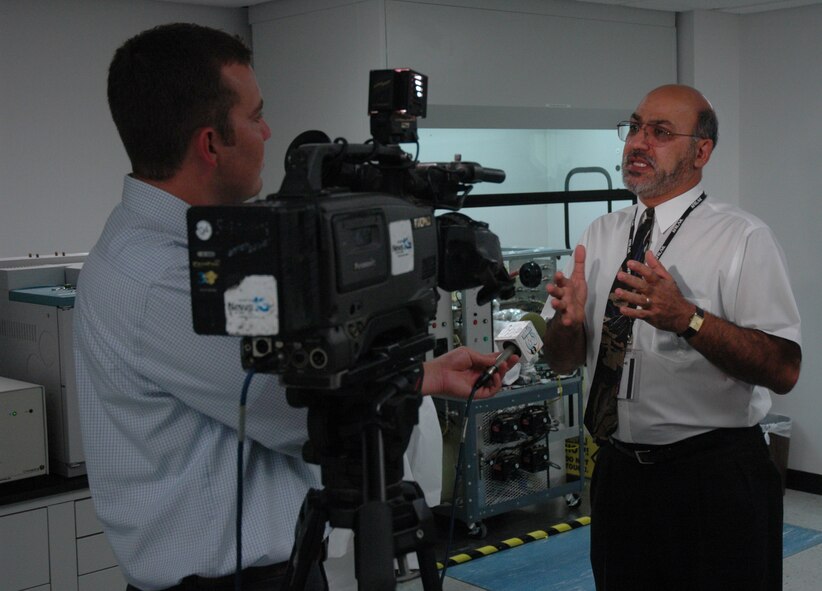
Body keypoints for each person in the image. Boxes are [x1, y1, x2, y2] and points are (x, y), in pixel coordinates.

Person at [74, 23, 517, 591]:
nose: (268, 131)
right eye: (255, 116)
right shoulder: (159, 280)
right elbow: (300, 413)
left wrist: (427, 372)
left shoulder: (198, 249)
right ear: (210, 144)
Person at [543, 85, 801, 591]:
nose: (638, 142)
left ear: (701, 151)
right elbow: (562, 361)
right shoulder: (600, 234)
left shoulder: (743, 239)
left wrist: (689, 319)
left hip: (714, 478)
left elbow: (783, 368)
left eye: (660, 133)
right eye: (635, 127)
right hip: (619, 476)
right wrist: (566, 325)